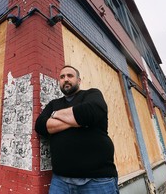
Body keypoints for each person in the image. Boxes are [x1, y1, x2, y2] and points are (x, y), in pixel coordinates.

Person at [35, 65, 119, 194]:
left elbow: (91, 112)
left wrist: (55, 115)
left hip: (97, 181)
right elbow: (40, 126)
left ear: (79, 80)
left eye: (70, 76)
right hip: (60, 181)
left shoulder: (92, 94)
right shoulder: (53, 104)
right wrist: (78, 121)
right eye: (62, 77)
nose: (66, 79)